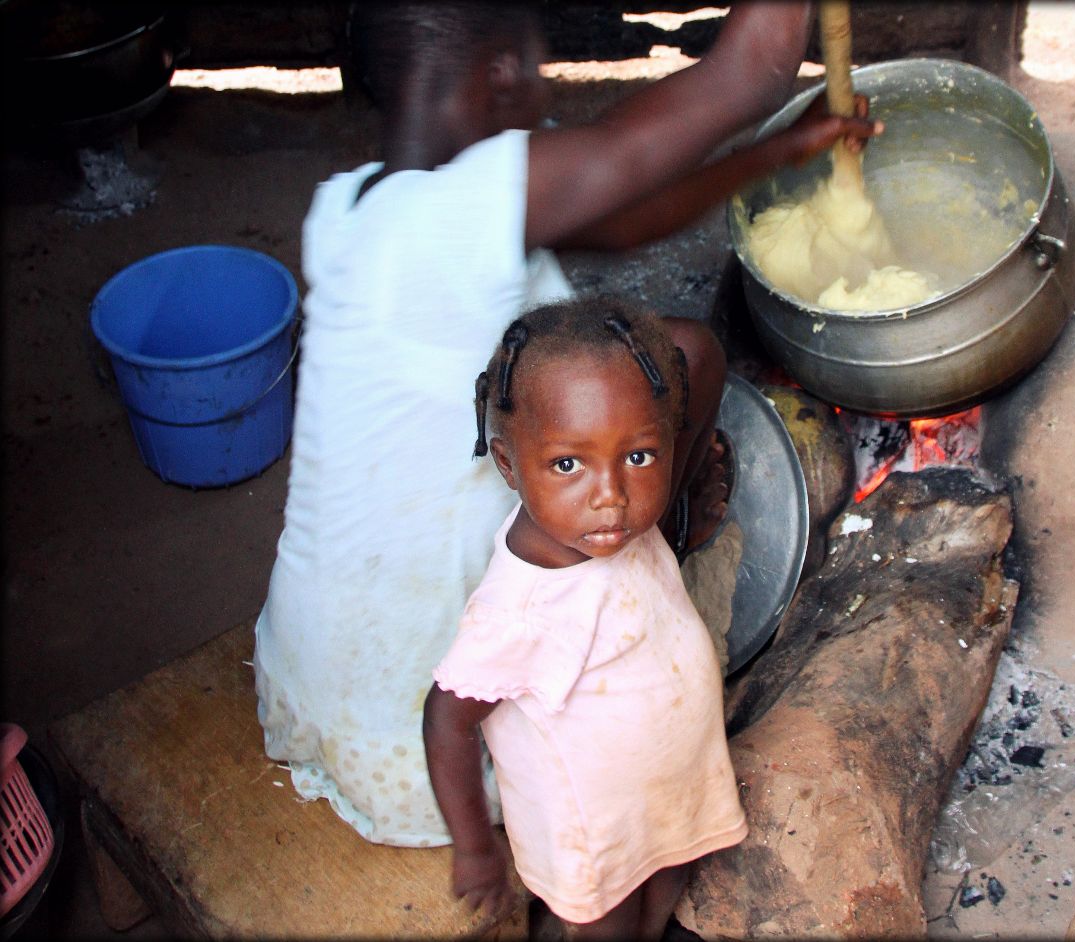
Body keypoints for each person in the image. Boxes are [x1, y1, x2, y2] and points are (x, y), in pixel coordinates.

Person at [253, 0, 880, 849]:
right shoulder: (472, 206)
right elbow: (751, 70)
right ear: (505, 71)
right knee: (682, 363)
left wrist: (780, 151)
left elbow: (620, 221)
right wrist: (765, 105)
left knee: (680, 349)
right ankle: (651, 551)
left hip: (318, 692)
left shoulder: (351, 209)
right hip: (449, 745)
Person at [427, 297, 744, 938]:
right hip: (595, 829)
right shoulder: (520, 609)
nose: (610, 496)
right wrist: (475, 848)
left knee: (669, 885)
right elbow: (446, 723)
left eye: (639, 457)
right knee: (612, 926)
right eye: (567, 464)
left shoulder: (617, 526)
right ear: (510, 466)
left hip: (668, 785)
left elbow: (694, 353)